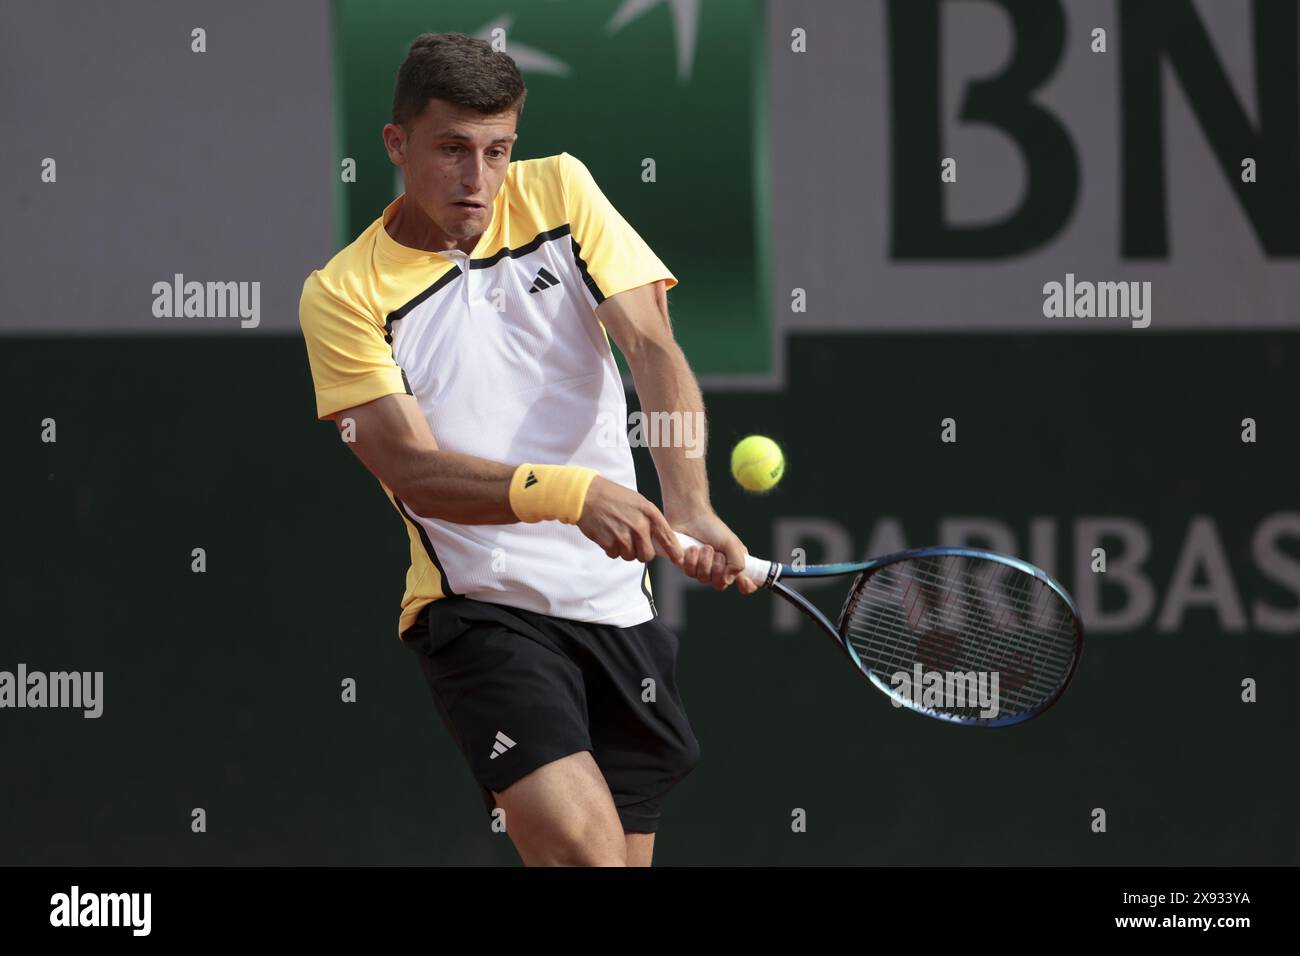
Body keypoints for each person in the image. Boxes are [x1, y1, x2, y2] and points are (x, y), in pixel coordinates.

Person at [299, 32, 756, 866]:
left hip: (619, 612)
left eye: (497, 151)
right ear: (397, 144)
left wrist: (689, 505)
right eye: (452, 150)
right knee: (588, 856)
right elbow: (411, 470)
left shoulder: (562, 191)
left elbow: (650, 346)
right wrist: (571, 495)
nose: (478, 180)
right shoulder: (342, 294)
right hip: (482, 609)